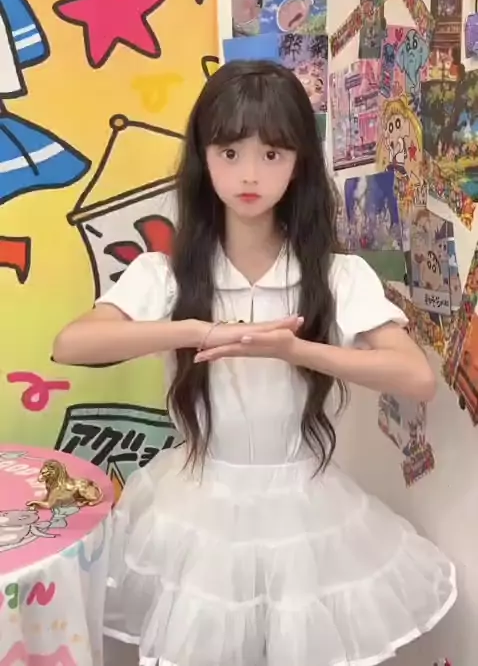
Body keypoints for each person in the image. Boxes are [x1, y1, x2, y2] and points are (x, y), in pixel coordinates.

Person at [54, 61, 456, 666]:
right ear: (203, 158)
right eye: (229, 152)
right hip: (196, 507)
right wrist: (197, 329)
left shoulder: (337, 275)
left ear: (298, 165)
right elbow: (72, 344)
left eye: (272, 154)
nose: (249, 174)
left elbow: (417, 378)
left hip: (306, 506)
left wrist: (296, 350)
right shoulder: (165, 275)